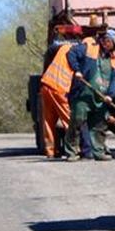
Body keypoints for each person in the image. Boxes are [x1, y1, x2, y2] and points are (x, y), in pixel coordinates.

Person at [63, 28, 115, 161]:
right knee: (77, 121)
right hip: (83, 93)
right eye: (113, 44)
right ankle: (72, 152)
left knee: (99, 125)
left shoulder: (113, 59)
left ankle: (98, 152)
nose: (114, 49)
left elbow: (114, 80)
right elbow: (71, 53)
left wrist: (110, 96)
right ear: (107, 41)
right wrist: (76, 70)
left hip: (100, 97)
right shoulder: (88, 49)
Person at [38, 25, 77, 158]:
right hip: (60, 88)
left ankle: (51, 151)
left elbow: (48, 55)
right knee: (70, 121)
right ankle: (74, 149)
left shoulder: (61, 48)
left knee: (48, 121)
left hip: (46, 84)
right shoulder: (78, 52)